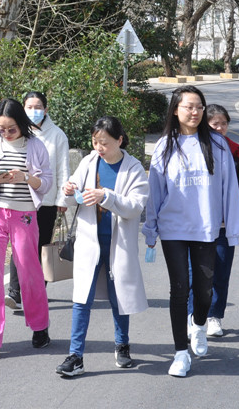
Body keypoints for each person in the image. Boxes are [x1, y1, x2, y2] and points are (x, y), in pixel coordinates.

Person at [142, 85, 239, 377]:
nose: (195, 112)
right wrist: (151, 230)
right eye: (189, 106)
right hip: (173, 228)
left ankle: (198, 324)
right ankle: (180, 353)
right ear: (176, 110)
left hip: (206, 228)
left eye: (199, 106)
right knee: (178, 289)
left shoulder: (218, 145)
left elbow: (229, 189)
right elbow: (155, 192)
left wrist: (232, 228)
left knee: (204, 289)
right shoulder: (164, 146)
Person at [55, 117, 149, 377]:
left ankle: (122, 344)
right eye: (95, 141)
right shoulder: (88, 162)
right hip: (89, 241)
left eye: (104, 143)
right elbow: (71, 198)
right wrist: (69, 190)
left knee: (119, 297)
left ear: (119, 140)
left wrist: (105, 196)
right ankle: (75, 355)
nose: (99, 147)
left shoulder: (134, 168)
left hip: (118, 243)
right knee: (81, 299)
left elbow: (135, 207)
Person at [0, 98, 52, 362]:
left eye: (11, 129)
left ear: (22, 125)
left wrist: (25, 177)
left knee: (29, 273)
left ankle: (40, 326)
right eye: (1, 128)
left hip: (25, 216)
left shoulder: (36, 146)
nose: (5, 133)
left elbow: (46, 183)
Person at [6, 91, 69, 310]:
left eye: (38, 107)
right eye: (30, 107)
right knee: (19, 245)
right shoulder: (16, 132)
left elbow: (63, 168)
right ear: (22, 109)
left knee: (41, 247)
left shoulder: (57, 135)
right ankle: (15, 292)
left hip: (46, 201)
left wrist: (62, 199)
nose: (34, 111)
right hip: (21, 199)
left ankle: (37, 291)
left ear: (46, 109)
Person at [198, 103, 239, 337]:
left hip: (224, 226)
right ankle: (195, 317)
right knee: (196, 274)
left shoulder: (236, 152)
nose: (220, 128)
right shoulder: (195, 150)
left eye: (224, 124)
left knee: (220, 273)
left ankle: (214, 317)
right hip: (198, 225)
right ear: (205, 125)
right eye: (215, 124)